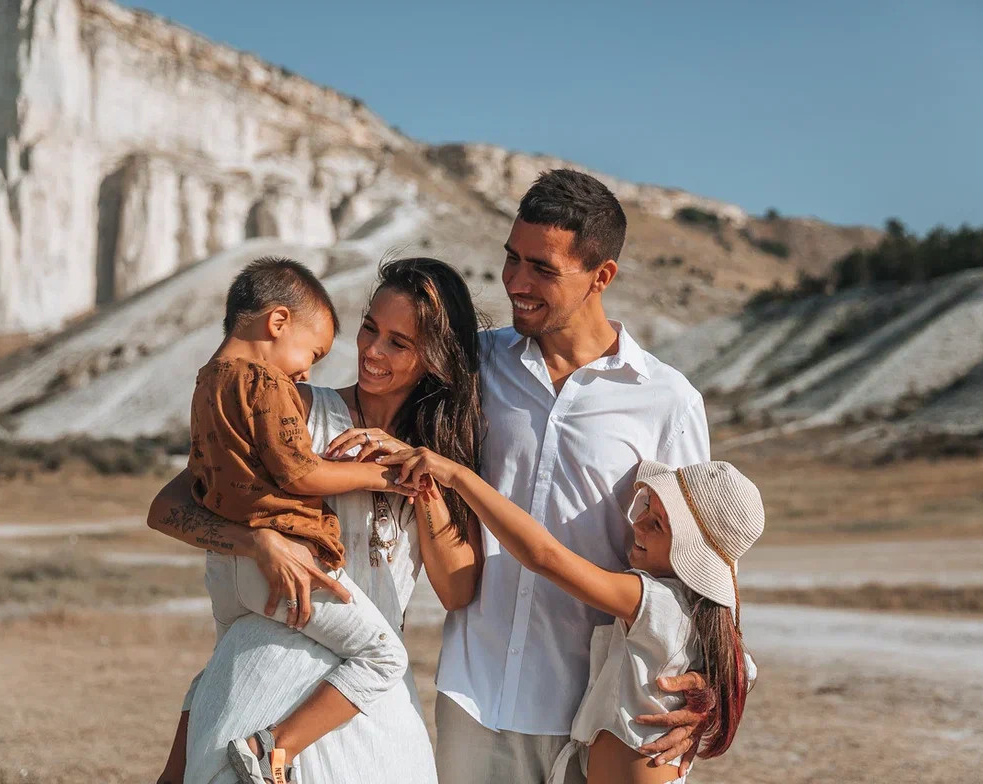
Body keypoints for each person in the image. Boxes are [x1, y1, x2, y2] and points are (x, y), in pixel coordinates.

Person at [149, 258, 485, 784]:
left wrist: (416, 473)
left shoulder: (440, 460)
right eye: (370, 328)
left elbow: (458, 589)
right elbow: (170, 506)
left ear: (436, 359)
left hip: (370, 698)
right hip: (265, 679)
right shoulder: (294, 407)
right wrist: (255, 540)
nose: (372, 351)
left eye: (399, 343)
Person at [431, 169, 715, 784]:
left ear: (601, 276)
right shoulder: (474, 366)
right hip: (475, 697)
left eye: (542, 269)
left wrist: (719, 685)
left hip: (605, 713)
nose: (516, 282)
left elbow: (705, 563)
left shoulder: (667, 401)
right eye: (512, 259)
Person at [380, 449, 762, 783]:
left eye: (657, 524)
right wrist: (711, 698)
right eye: (647, 509)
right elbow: (744, 668)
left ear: (690, 552)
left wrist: (459, 477)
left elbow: (543, 556)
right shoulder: (703, 619)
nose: (638, 524)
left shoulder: (655, 602)